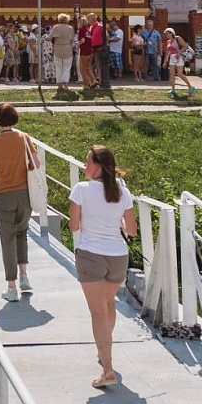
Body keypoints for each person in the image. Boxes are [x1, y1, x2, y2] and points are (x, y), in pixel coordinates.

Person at [71, 145, 138, 391]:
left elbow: (74, 226)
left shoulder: (81, 189)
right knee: (108, 304)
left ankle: (107, 369)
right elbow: (132, 231)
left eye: (88, 161)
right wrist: (117, 223)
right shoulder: (122, 192)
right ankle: (104, 350)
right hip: (118, 257)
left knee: (98, 312)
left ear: (98, 166)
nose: (85, 166)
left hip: (91, 256)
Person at [0, 103, 39, 302]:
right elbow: (36, 163)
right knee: (22, 234)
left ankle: (11, 287)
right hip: (24, 194)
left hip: (3, 195)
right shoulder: (24, 138)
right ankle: (24, 276)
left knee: (7, 239)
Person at [48, 13, 75, 92]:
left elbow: (49, 38)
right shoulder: (70, 28)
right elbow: (72, 39)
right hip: (67, 49)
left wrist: (55, 42)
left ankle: (59, 85)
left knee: (58, 67)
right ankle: (65, 84)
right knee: (67, 68)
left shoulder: (56, 27)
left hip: (58, 49)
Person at [165, 28, 195, 98]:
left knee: (179, 74)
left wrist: (179, 53)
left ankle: (190, 87)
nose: (166, 35)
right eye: (165, 34)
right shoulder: (168, 41)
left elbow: (185, 46)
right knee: (171, 74)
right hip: (172, 58)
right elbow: (167, 51)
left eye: (167, 33)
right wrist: (165, 60)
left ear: (172, 33)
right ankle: (173, 89)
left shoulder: (178, 38)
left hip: (179, 57)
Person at [77, 14, 99, 90]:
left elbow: (82, 40)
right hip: (90, 51)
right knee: (88, 68)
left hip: (84, 51)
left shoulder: (81, 29)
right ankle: (94, 81)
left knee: (82, 69)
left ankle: (88, 84)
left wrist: (77, 43)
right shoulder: (88, 30)